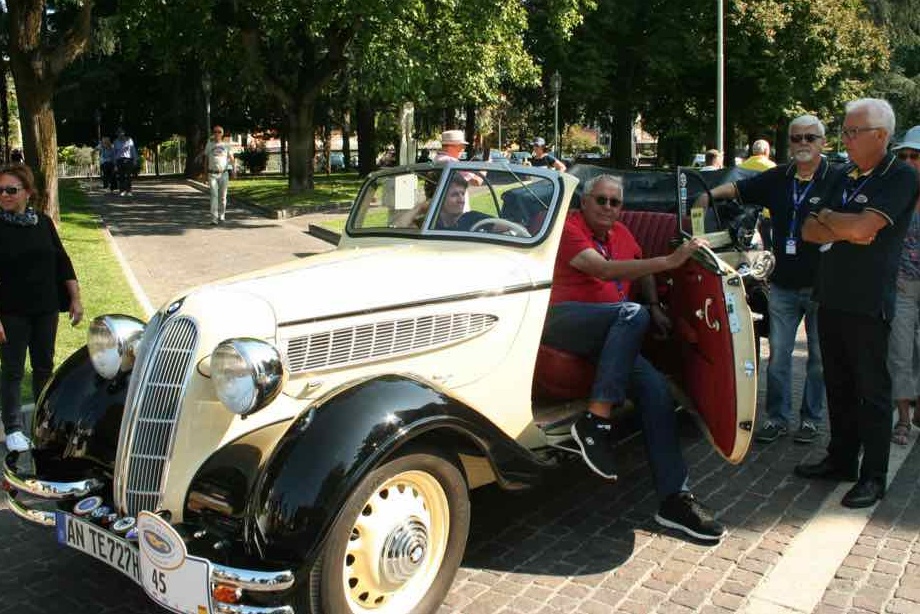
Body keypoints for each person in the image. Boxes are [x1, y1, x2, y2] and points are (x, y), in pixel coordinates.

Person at [542, 173, 723, 541]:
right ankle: (596, 421)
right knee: (631, 314)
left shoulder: (623, 234)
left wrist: (655, 303)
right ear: (585, 202)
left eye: (616, 202)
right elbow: (602, 268)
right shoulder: (569, 229)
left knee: (657, 389)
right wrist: (671, 261)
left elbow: (638, 263)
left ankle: (675, 498)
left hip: (611, 334)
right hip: (563, 322)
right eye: (601, 200)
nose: (609, 208)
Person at [797, 98, 919, 508]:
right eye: (845, 130)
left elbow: (868, 226)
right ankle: (842, 459)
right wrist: (843, 225)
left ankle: (874, 475)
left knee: (872, 391)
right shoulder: (841, 173)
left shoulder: (900, 176)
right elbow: (809, 229)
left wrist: (837, 221)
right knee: (839, 385)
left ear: (881, 136)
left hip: (869, 301)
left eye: (853, 132)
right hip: (830, 295)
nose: (845, 139)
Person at [692, 115, 831, 445]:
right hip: (782, 284)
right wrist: (707, 195)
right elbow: (738, 188)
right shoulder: (778, 177)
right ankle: (777, 419)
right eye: (796, 138)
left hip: (822, 286)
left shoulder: (836, 178)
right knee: (778, 357)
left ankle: (811, 420)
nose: (802, 144)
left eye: (810, 138)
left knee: (818, 361)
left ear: (823, 143)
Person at [0, 164, 83, 452]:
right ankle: (12, 428)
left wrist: (75, 297)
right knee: (12, 370)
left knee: (43, 368)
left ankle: (41, 421)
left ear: (28, 193)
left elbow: (62, 261)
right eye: (0, 191)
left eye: (11, 190)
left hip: (45, 309)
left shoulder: (43, 223)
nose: (5, 195)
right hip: (10, 312)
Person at [887, 125, 920, 445]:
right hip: (902, 286)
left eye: (916, 155)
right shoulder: (897, 193)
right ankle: (904, 420)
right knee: (899, 354)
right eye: (905, 155)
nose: (909, 160)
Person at [202, 125, 235, 225]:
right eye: (215, 132)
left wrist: (234, 171)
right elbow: (206, 160)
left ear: (222, 134)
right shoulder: (209, 145)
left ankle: (222, 215)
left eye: (219, 132)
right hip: (212, 174)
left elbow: (232, 159)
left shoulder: (226, 145)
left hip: (224, 174)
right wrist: (204, 174)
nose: (217, 134)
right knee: (214, 195)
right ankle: (214, 218)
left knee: (223, 197)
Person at [113, 128, 137, 196]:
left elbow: (133, 150)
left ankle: (129, 191)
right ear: (117, 134)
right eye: (119, 133)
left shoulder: (129, 140)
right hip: (119, 160)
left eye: (121, 133)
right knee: (121, 176)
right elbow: (114, 153)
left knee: (128, 176)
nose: (120, 134)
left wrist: (135, 159)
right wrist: (115, 164)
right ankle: (122, 191)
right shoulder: (116, 142)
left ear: (124, 133)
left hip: (128, 159)